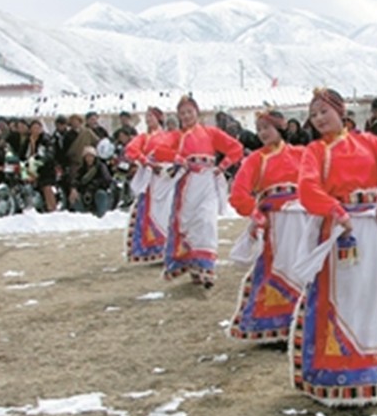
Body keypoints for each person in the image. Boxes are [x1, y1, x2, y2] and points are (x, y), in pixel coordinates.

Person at [294, 88, 377, 406]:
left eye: (324, 111)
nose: (319, 118)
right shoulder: (315, 151)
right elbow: (307, 188)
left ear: (341, 110)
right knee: (343, 298)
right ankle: (336, 373)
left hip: (371, 229)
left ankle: (374, 369)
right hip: (340, 231)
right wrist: (336, 211)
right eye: (313, 114)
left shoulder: (369, 142)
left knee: (372, 297)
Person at [227, 109, 305, 345]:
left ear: (280, 128)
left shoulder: (301, 154)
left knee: (300, 268)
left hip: (301, 219)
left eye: (266, 127)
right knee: (275, 269)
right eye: (259, 128)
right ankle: (275, 327)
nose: (262, 133)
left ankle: (300, 322)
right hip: (273, 223)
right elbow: (238, 194)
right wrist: (255, 212)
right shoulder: (255, 160)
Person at [164, 95, 243, 288]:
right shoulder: (176, 136)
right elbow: (159, 149)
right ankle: (194, 266)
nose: (186, 116)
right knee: (189, 224)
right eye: (182, 113)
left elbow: (236, 148)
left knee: (207, 222)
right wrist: (178, 158)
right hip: (187, 183)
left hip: (207, 181)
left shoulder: (211, 133)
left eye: (189, 112)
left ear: (197, 113)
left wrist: (222, 166)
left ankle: (208, 269)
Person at [123, 107, 179, 263]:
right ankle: (153, 250)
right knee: (149, 212)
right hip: (151, 178)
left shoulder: (169, 136)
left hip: (167, 177)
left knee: (168, 211)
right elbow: (131, 150)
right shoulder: (144, 137)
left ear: (158, 118)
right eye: (146, 117)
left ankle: (169, 248)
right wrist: (146, 161)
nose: (148, 119)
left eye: (151, 116)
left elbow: (179, 152)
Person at [70, 146, 113, 217]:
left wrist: (94, 185)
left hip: (98, 191)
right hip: (85, 192)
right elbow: (76, 180)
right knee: (75, 198)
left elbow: (107, 179)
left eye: (91, 156)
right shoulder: (82, 169)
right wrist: (74, 188)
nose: (89, 159)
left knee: (100, 194)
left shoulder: (100, 167)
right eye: (87, 157)